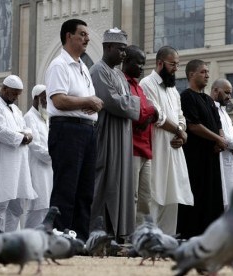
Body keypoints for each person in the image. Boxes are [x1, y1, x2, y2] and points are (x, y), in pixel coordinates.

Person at [45, 18, 103, 241]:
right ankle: (59, 238)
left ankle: (80, 238)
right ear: (69, 36)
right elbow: (59, 100)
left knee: (85, 189)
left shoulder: (82, 67)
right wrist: (87, 101)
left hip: (87, 131)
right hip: (67, 130)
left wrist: (90, 104)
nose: (87, 38)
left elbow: (81, 100)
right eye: (82, 34)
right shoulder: (59, 65)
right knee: (66, 187)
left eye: (87, 35)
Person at [89, 28, 141, 241]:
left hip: (123, 135)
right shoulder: (97, 71)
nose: (123, 55)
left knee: (122, 184)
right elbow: (112, 102)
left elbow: (124, 101)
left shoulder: (119, 75)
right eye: (120, 50)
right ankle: (99, 235)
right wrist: (133, 102)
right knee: (105, 183)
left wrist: (128, 101)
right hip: (107, 135)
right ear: (108, 47)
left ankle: (120, 233)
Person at [139, 46, 193, 235]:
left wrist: (181, 132)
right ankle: (149, 240)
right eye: (172, 64)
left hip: (174, 148)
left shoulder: (173, 90)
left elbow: (180, 116)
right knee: (154, 194)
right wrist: (179, 130)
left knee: (173, 195)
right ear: (160, 63)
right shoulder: (147, 84)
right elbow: (157, 115)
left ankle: (168, 241)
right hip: (157, 146)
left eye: (177, 64)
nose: (176, 68)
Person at [178, 59, 227, 239]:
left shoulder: (208, 99)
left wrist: (220, 139)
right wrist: (218, 139)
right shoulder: (186, 96)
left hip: (212, 156)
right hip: (195, 157)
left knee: (213, 196)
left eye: (207, 72)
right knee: (196, 195)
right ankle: (192, 235)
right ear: (191, 74)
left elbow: (217, 123)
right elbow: (193, 126)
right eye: (203, 72)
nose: (207, 75)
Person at [121, 45, 158, 226]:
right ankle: (128, 236)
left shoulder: (139, 87)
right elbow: (138, 114)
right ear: (126, 61)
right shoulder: (122, 84)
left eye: (144, 64)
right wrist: (152, 111)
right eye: (139, 63)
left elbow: (146, 115)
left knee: (145, 198)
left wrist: (149, 112)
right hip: (132, 148)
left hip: (145, 149)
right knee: (132, 196)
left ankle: (142, 237)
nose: (142, 68)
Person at [0, 75, 37, 231]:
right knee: (0, 206)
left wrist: (25, 135)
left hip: (19, 165)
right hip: (3, 163)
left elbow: (26, 128)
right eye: (14, 93)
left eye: (18, 94)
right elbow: (1, 131)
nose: (16, 98)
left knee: (17, 207)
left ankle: (11, 244)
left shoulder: (15, 109)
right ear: (5, 89)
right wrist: (22, 137)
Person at [210, 79, 233, 209]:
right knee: (226, 203)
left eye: (230, 93)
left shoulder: (224, 111)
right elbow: (224, 137)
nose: (229, 97)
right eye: (226, 93)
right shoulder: (211, 109)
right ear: (215, 90)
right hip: (223, 162)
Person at [23, 84, 53, 228]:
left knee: (46, 206)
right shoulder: (29, 117)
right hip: (36, 168)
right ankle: (28, 239)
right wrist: (52, 155)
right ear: (36, 98)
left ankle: (41, 241)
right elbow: (34, 145)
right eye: (44, 98)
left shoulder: (44, 117)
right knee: (37, 207)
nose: (47, 101)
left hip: (49, 168)